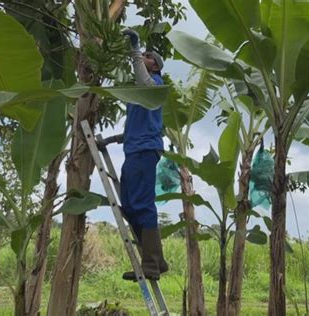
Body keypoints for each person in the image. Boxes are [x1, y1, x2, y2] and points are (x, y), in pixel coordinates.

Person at [120, 28, 168, 281]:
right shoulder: (139, 93)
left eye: (148, 56)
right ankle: (157, 258)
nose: (142, 57)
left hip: (145, 151)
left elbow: (144, 81)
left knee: (142, 204)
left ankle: (150, 264)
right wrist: (116, 138)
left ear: (156, 66)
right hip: (132, 150)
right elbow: (136, 122)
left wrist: (134, 48)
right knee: (127, 206)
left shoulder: (155, 85)